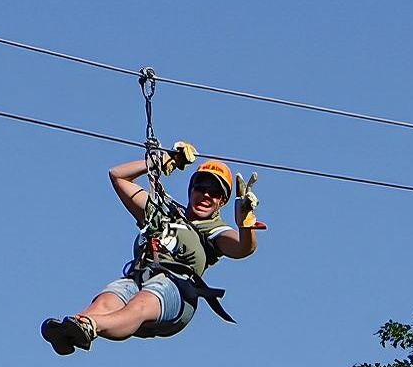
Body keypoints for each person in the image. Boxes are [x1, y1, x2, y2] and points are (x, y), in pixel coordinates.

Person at [41, 144, 261, 355]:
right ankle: (72, 329)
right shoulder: (164, 213)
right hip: (140, 278)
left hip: (175, 290)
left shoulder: (213, 230)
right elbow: (117, 175)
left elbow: (243, 248)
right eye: (200, 187)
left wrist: (246, 224)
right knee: (111, 295)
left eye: (214, 192)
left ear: (221, 201)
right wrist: (163, 161)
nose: (205, 195)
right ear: (191, 190)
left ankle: (90, 326)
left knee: (144, 299)